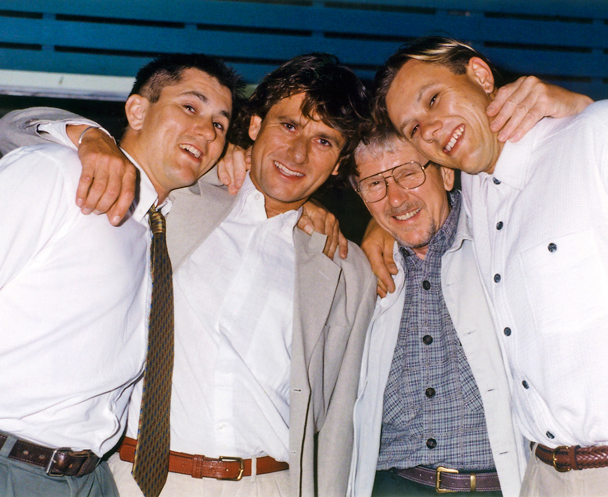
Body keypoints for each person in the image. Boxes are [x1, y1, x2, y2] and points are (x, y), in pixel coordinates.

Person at [0, 53, 377, 497]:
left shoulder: (345, 268)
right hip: (137, 479)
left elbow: (338, 421)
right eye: (289, 126)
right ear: (255, 127)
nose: (297, 153)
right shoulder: (174, 195)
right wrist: (90, 137)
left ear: (338, 165)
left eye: (324, 141)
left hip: (267, 483)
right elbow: (16, 130)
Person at [369, 36, 608, 496]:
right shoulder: (475, 194)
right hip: (545, 477)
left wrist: (590, 108)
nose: (431, 129)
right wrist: (377, 224)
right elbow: (411, 201)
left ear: (480, 75)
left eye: (433, 99)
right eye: (413, 129)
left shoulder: (607, 135)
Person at [0, 53, 237, 497]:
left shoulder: (157, 228)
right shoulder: (57, 172)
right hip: (13, 464)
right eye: (190, 107)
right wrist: (85, 134)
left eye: (220, 125)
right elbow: (13, 125)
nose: (206, 131)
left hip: (91, 477)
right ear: (137, 111)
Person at [343, 129, 523, 497]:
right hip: (393, 486)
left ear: (445, 173)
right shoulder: (357, 273)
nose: (395, 198)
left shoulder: (504, 245)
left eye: (409, 173)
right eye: (375, 183)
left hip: (500, 485)